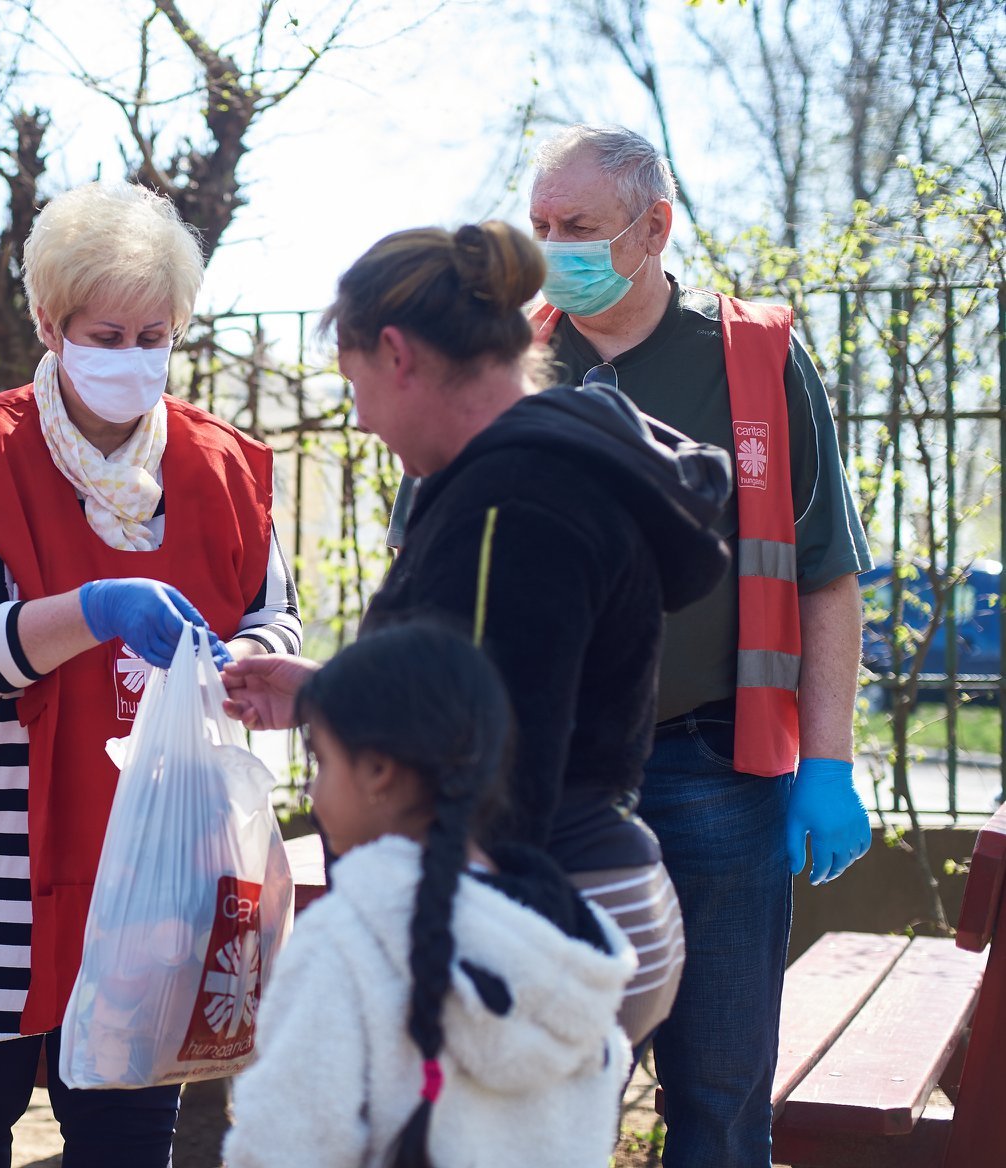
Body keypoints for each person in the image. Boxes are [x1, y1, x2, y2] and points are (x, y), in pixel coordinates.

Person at [0, 180, 302, 1167]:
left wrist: (243, 660)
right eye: (103, 334)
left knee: (124, 1130)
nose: (130, 356)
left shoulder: (223, 468)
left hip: (146, 858)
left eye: (153, 333)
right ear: (50, 325)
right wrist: (96, 609)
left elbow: (271, 614)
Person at [223, 221, 731, 1050]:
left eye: (354, 386)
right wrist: (327, 695)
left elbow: (503, 755)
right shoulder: (518, 474)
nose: (362, 421)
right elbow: (485, 689)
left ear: (397, 354)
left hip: (531, 909)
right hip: (570, 888)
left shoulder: (513, 497)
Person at [526, 124, 873, 1168]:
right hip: (549, 783)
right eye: (539, 226)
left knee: (720, 1101)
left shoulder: (754, 360)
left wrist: (828, 761)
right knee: (545, 1095)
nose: (553, 247)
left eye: (578, 226)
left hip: (716, 772)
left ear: (654, 225)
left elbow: (826, 574)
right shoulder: (509, 363)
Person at [223, 621, 634, 1168]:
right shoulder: (568, 938)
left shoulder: (345, 945)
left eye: (320, 761)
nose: (313, 792)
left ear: (377, 772)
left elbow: (283, 1147)